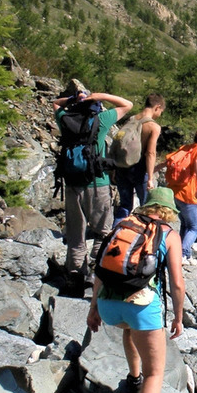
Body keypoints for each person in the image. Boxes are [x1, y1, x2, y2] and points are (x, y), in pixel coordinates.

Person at [86, 187, 185, 393]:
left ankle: (132, 379)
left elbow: (101, 269)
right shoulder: (169, 234)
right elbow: (176, 282)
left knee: (129, 331)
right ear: (168, 212)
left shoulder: (124, 226)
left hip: (108, 307)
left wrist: (93, 308)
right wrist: (178, 316)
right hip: (140, 306)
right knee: (156, 372)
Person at [54, 86, 132, 293]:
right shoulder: (102, 120)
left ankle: (74, 276)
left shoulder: (65, 119)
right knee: (103, 231)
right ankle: (96, 269)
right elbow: (127, 104)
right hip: (98, 184)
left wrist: (73, 99)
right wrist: (100, 96)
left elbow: (55, 103)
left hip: (72, 185)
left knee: (75, 234)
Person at [160, 126, 197, 264]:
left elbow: (169, 160)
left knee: (185, 224)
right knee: (194, 227)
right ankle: (182, 254)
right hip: (187, 193)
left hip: (174, 190)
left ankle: (182, 252)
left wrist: (153, 171)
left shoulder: (187, 147)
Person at [112, 94, 165, 222]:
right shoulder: (153, 127)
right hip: (140, 171)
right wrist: (150, 179)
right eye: (161, 112)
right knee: (147, 207)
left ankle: (115, 236)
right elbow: (151, 153)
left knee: (125, 206)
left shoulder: (131, 119)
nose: (159, 115)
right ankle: (145, 237)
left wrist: (114, 168)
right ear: (157, 107)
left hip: (122, 167)